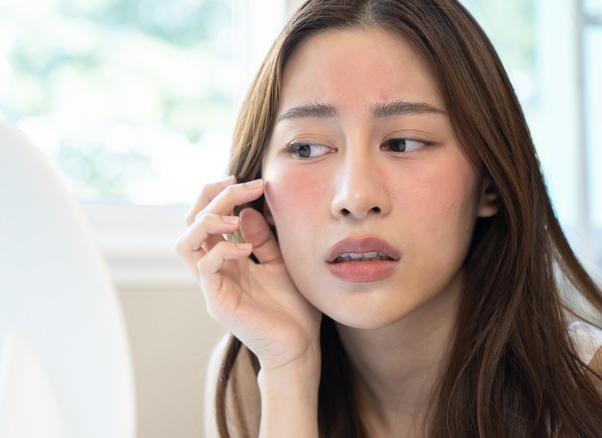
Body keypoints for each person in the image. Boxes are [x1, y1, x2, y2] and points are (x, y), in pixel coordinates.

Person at [175, 0, 602, 436]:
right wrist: (290, 373)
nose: (356, 197)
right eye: (306, 149)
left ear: (489, 182)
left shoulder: (589, 390)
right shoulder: (253, 379)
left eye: (403, 143)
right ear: (261, 197)